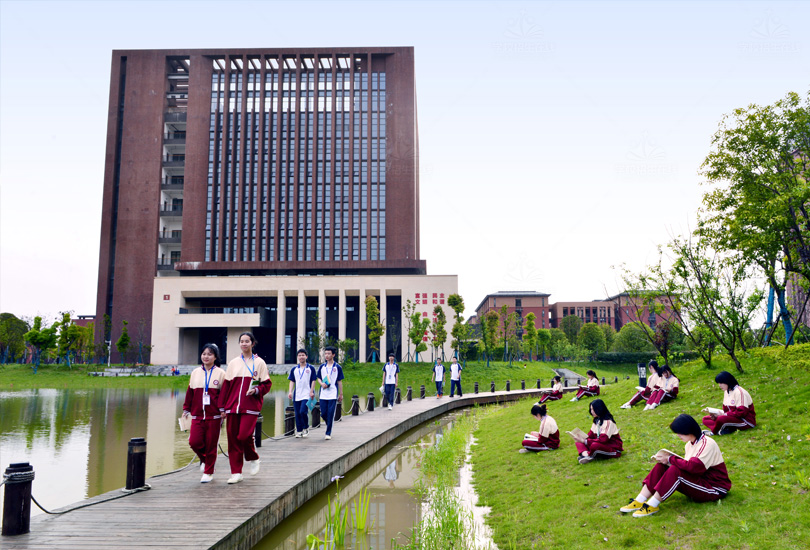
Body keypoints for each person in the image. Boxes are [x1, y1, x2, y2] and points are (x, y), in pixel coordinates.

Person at [620, 414, 731, 517]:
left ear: (689, 430)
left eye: (680, 432)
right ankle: (639, 500)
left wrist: (670, 459)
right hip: (699, 481)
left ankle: (653, 505)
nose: (678, 436)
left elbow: (695, 468)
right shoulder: (689, 445)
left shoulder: (707, 443)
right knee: (662, 466)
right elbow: (689, 467)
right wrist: (667, 461)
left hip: (714, 488)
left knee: (675, 470)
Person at [220, 332, 272, 484]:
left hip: (250, 406)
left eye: (247, 341)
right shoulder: (233, 363)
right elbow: (227, 386)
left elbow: (266, 384)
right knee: (232, 438)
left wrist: (256, 390)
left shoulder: (260, 362)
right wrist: (222, 407)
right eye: (241, 341)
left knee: (243, 435)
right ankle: (236, 472)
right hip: (232, 406)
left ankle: (253, 457)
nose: (244, 344)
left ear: (252, 343)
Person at [183, 343, 226, 483]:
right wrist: (186, 408)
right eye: (204, 354)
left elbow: (224, 395)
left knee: (211, 444)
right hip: (197, 415)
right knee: (194, 442)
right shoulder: (195, 372)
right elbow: (190, 392)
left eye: (209, 354)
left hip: (214, 416)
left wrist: (223, 410)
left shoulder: (221, 373)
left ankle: (209, 472)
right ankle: (205, 460)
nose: (206, 356)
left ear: (215, 357)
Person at [702, 371, 756, 435]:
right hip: (733, 418)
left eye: (721, 383)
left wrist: (724, 415)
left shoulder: (739, 392)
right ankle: (727, 429)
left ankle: (714, 432)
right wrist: (718, 414)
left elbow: (741, 413)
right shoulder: (726, 392)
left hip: (745, 421)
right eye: (718, 383)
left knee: (720, 419)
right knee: (705, 419)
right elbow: (727, 411)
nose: (720, 385)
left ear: (727, 381)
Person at [574, 399, 623, 464]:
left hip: (612, 448)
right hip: (600, 445)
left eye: (593, 409)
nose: (592, 412)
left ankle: (587, 455)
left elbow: (603, 440)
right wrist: (581, 438)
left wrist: (585, 441)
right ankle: (586, 455)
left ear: (599, 409)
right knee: (578, 442)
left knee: (594, 445)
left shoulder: (608, 422)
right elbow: (590, 436)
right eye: (591, 409)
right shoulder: (596, 421)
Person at [288, 348, 317, 437]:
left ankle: (306, 427)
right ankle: (299, 430)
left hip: (307, 393)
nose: (301, 357)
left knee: (303, 412)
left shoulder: (310, 368)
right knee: (297, 413)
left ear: (306, 356)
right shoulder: (294, 369)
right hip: (297, 394)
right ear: (297, 357)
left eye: (303, 355)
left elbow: (313, 380)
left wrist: (312, 391)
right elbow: (292, 381)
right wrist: (290, 392)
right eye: (299, 355)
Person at [318, 345, 344, 440]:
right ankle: (329, 422)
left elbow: (339, 381)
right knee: (323, 413)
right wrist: (321, 384)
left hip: (333, 393)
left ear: (333, 354)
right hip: (323, 394)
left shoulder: (337, 367)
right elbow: (319, 378)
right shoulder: (322, 367)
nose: (327, 355)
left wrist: (341, 394)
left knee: (330, 413)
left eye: (329, 353)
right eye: (325, 353)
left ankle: (328, 432)